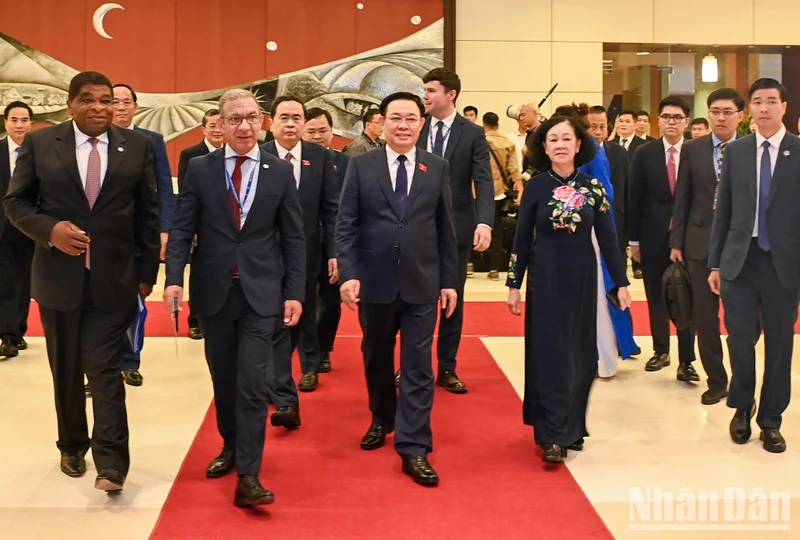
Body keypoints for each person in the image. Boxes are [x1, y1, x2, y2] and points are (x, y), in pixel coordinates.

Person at [3, 71, 161, 492]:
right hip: (58, 279)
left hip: (116, 279)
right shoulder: (41, 143)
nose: (98, 107)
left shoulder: (137, 146)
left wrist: (147, 275)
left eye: (106, 100)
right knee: (67, 369)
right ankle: (72, 443)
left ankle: (112, 463)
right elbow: (16, 202)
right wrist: (49, 230)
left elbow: (148, 212)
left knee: (104, 367)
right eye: (88, 100)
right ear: (71, 104)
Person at [163, 88, 306, 505]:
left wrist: (294, 291)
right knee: (223, 380)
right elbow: (183, 230)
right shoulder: (200, 170)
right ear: (221, 125)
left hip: (263, 295)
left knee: (251, 383)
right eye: (234, 119)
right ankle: (230, 444)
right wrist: (173, 278)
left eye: (250, 118)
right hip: (214, 293)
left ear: (261, 122)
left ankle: (249, 473)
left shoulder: (279, 171)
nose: (244, 126)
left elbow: (294, 238)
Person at [336, 91, 458, 486]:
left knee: (419, 365)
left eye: (411, 118)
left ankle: (414, 446)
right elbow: (346, 224)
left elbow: (446, 229)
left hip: (422, 282)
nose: (403, 125)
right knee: (375, 355)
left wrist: (449, 281)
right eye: (395, 118)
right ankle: (382, 416)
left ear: (421, 124)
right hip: (375, 280)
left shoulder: (436, 167)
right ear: (382, 123)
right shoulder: (361, 165)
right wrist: (350, 272)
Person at [506, 115, 631, 463]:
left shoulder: (594, 187)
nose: (560, 145)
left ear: (579, 145)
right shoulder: (535, 187)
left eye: (567, 139)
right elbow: (521, 237)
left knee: (581, 356)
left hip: (581, 280)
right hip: (544, 279)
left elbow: (609, 239)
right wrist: (513, 285)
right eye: (553, 140)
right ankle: (550, 434)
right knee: (550, 354)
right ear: (544, 148)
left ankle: (572, 427)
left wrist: (620, 282)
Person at [708, 78, 800, 454]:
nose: (764, 108)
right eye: (757, 102)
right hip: (739, 261)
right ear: (750, 110)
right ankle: (742, 407)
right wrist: (715, 262)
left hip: (783, 264)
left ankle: (771, 421)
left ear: (784, 107)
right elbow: (723, 211)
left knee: (779, 346)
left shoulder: (798, 150)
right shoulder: (738, 151)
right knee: (740, 340)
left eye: (771, 102)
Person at [410, 67, 493, 394]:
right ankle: (414, 365)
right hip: (415, 228)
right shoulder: (417, 127)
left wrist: (484, 221)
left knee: (452, 298)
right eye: (424, 90)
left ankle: (446, 367)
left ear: (450, 94)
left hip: (456, 228)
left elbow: (483, 180)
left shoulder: (471, 133)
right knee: (415, 300)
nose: (425, 96)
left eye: (431, 90)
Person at [262, 95, 339, 407]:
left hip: (307, 249)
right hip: (265, 250)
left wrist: (335, 252)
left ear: (304, 123)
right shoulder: (259, 154)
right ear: (271, 123)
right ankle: (271, 375)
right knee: (268, 312)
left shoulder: (319, 157)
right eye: (284, 117)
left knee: (305, 306)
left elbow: (331, 208)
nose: (290, 123)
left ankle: (309, 366)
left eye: (296, 118)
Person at [670, 88, 745, 405]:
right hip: (699, 243)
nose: (720, 117)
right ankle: (717, 380)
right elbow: (683, 197)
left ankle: (743, 378)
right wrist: (676, 241)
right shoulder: (693, 148)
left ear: (741, 115)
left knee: (741, 319)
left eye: (728, 111)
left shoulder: (750, 148)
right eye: (715, 111)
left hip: (740, 244)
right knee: (704, 317)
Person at [554, 103, 638, 377]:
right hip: (566, 230)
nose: (560, 140)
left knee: (601, 293)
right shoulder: (563, 148)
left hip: (593, 228)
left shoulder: (591, 147)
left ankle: (603, 359)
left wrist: (575, 199)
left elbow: (606, 193)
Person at [628, 95, 698, 381]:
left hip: (689, 238)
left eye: (677, 117)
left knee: (688, 298)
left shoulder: (696, 152)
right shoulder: (645, 153)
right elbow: (634, 197)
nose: (672, 122)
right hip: (652, 236)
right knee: (656, 296)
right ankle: (661, 350)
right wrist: (633, 241)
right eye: (667, 117)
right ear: (659, 120)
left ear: (687, 122)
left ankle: (687, 360)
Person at [112, 83, 176, 387]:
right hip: (104, 236)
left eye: (127, 102)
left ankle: (130, 360)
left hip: (141, 234)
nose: (121, 107)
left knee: (136, 299)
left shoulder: (151, 141)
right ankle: (102, 364)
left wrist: (165, 228)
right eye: (115, 102)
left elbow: (164, 186)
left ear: (136, 107)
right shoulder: (93, 141)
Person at [303, 107, 350, 373]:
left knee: (331, 300)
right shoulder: (292, 162)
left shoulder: (345, 163)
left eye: (323, 131)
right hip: (304, 240)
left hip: (336, 240)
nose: (318, 136)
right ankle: (307, 348)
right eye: (312, 131)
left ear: (332, 132)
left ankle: (323, 348)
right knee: (306, 298)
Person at [176, 108, 225, 340]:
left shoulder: (232, 153)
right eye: (211, 125)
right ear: (203, 129)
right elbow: (187, 193)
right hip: (201, 226)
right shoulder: (191, 154)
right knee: (198, 275)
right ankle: (195, 320)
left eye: (220, 124)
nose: (217, 129)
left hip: (227, 226)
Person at [0, 101, 34, 358]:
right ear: (6, 123)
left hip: (32, 227)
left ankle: (17, 331)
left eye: (24, 120)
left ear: (31, 123)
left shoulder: (39, 151)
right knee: (6, 280)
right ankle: (8, 335)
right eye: (14, 119)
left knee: (25, 281)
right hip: (3, 228)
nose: (19, 124)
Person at [482, 111, 523, 281]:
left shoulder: (478, 142)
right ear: (497, 125)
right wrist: (519, 186)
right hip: (499, 193)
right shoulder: (507, 143)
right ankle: (494, 269)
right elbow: (514, 169)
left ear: (483, 125)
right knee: (497, 230)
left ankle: (469, 263)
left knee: (473, 226)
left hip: (477, 192)